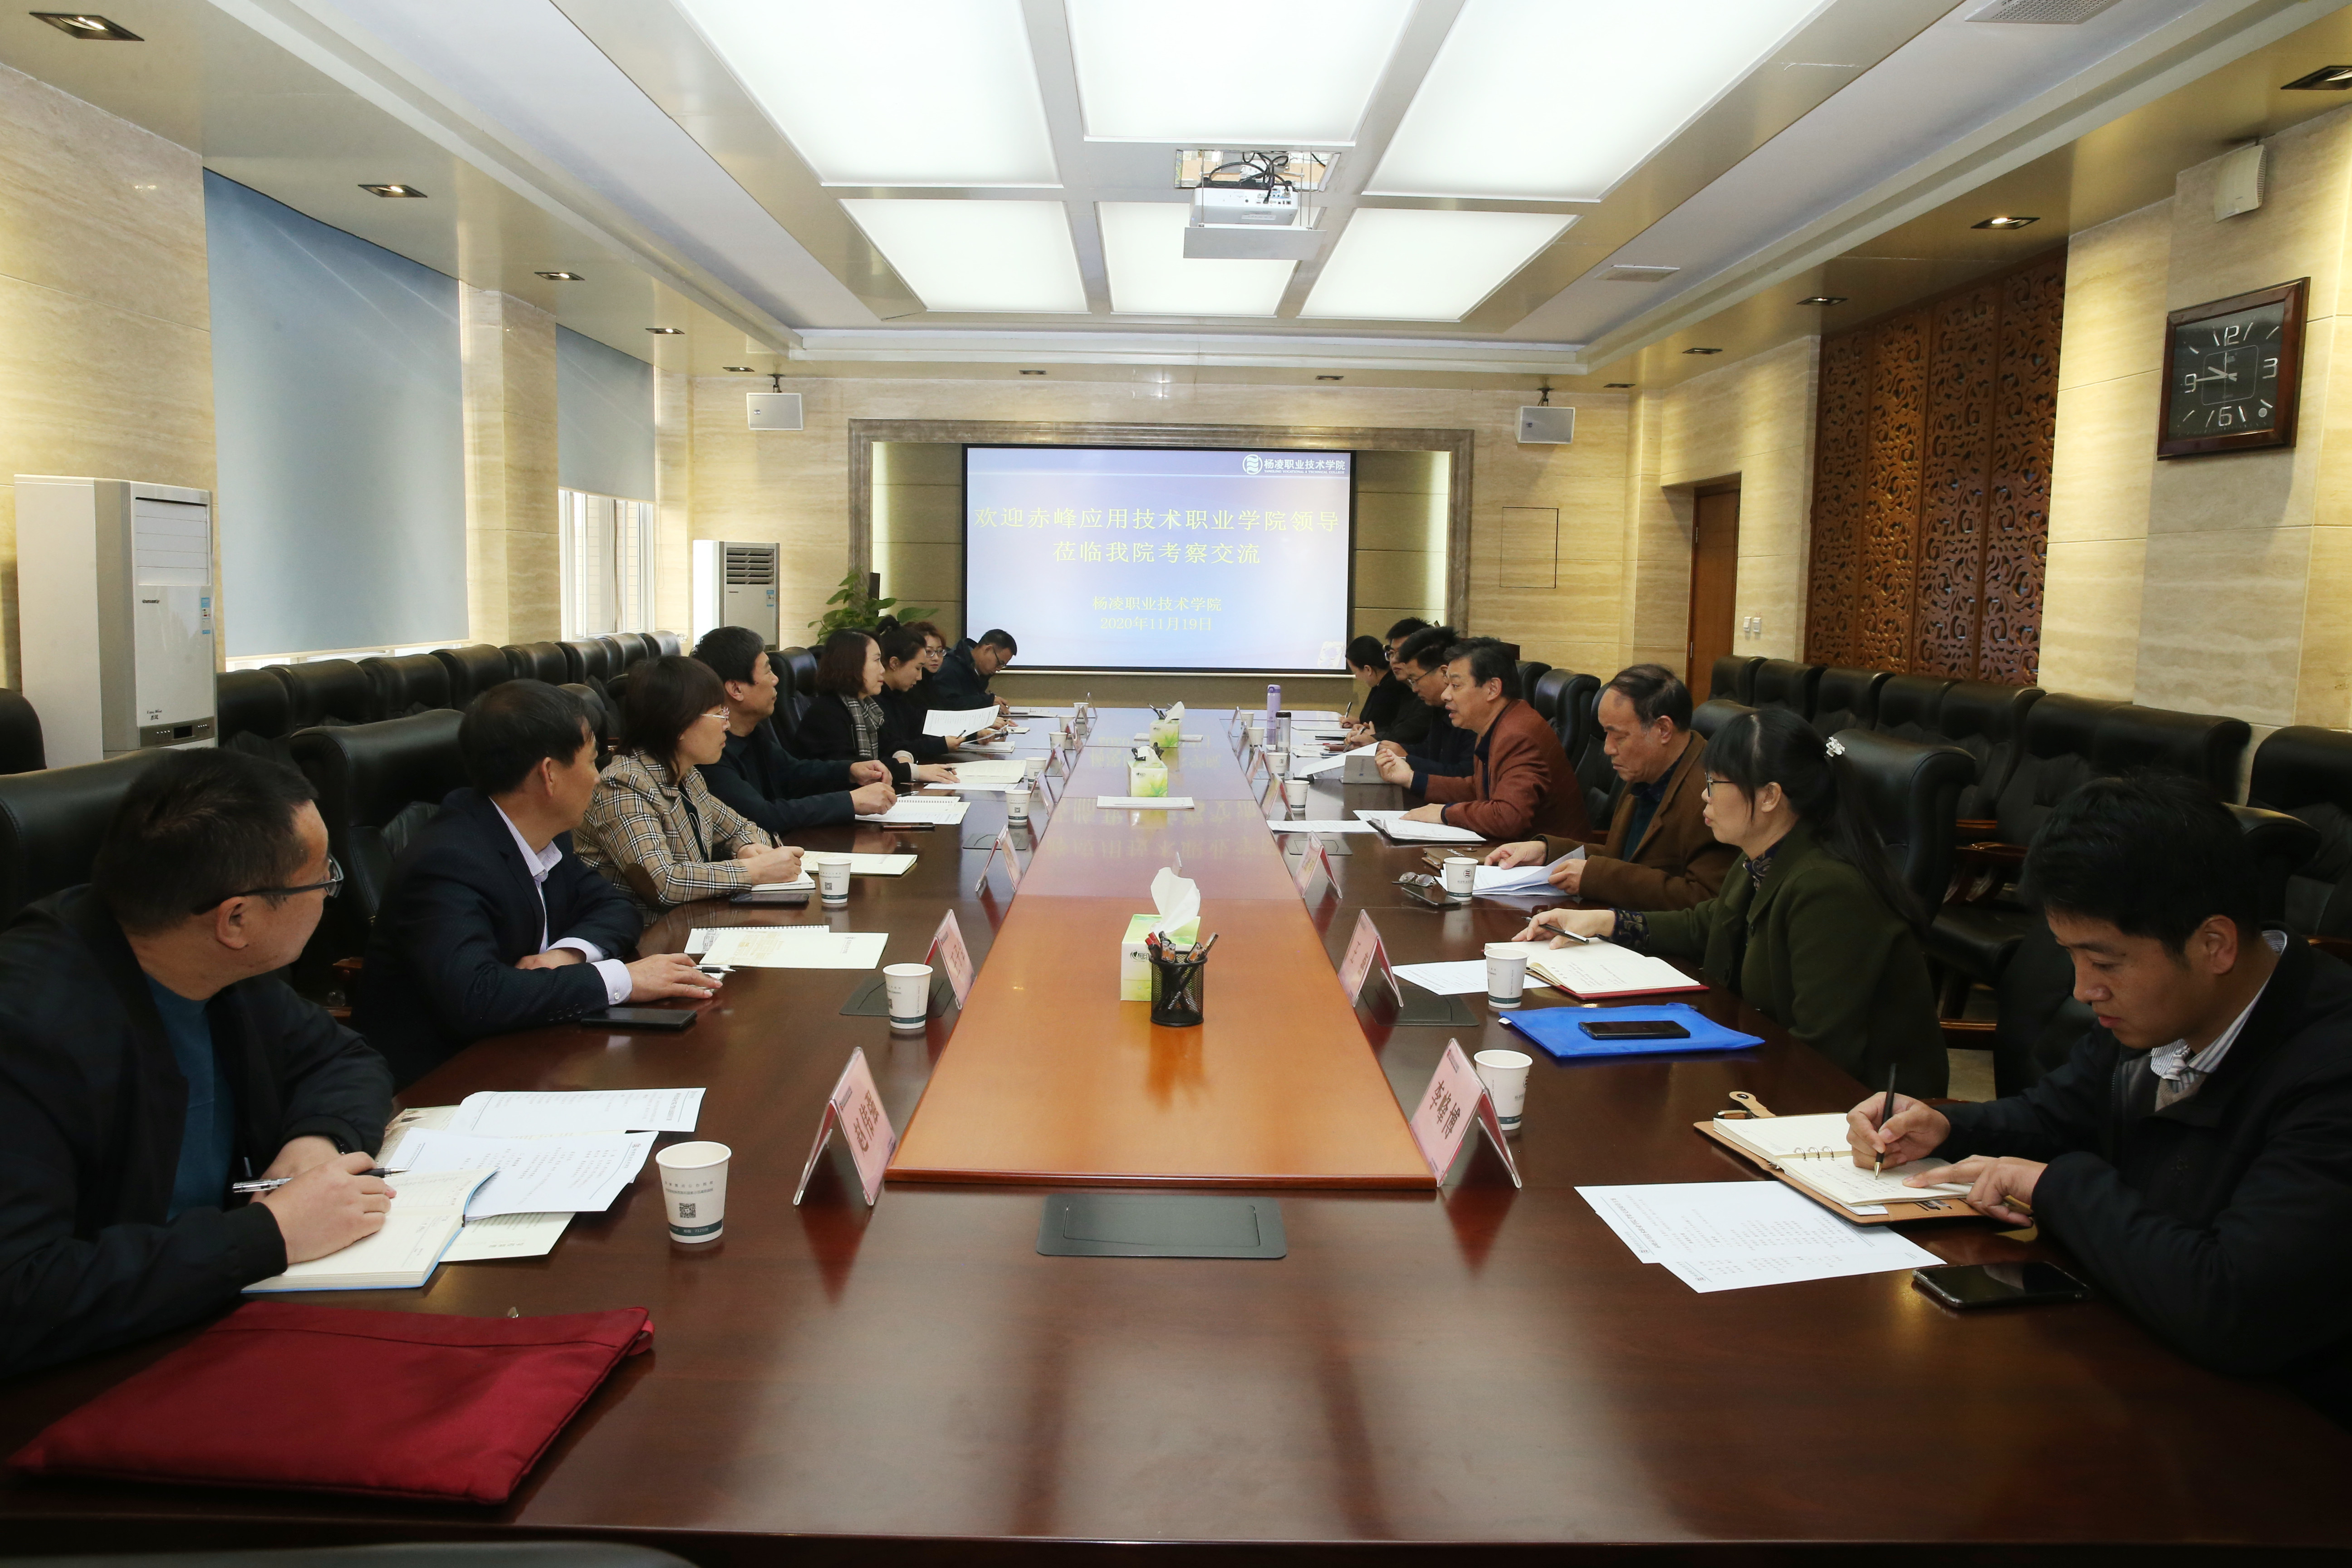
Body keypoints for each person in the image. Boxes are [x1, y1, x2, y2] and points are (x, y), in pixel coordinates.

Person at [1849, 773, 2352, 1422]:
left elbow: (2236, 1308)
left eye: (2106, 963)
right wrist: (1946, 1128)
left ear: (2215, 945)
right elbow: (2057, 1114)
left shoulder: (2332, 1069)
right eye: (2071, 957)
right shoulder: (2165, 1014)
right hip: (2135, 1349)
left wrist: (2057, 1186)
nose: (2083, 990)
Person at [0, 750, 395, 1378]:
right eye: (322, 878)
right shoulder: (28, 1031)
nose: (329, 892)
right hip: (90, 1382)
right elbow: (21, 1295)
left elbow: (343, 1057)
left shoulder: (220, 965)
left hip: (215, 1316)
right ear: (236, 918)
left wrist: (317, 1141)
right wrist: (269, 1234)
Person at [1518, 706, 1944, 1094]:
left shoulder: (1828, 888)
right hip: (1768, 1062)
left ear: (1770, 796)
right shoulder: (1763, 856)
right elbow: (1707, 925)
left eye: (1714, 783)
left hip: (1860, 1112)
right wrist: (1604, 922)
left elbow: (1823, 1052)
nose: (1705, 796)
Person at [356, 681, 719, 1088]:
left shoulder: (544, 833)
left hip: (537, 1046)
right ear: (550, 774)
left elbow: (614, 906)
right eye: (591, 762)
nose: (598, 778)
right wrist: (623, 980)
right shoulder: (447, 861)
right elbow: (476, 996)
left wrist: (568, 954)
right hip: (449, 1081)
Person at [1484, 664, 1733, 910]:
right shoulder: (1647, 770)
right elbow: (1623, 856)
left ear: (1663, 729)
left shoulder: (1710, 794)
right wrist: (1547, 852)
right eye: (1606, 734)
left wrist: (1597, 877)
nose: (1608, 748)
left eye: (1620, 737)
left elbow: (1705, 901)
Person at [577, 655, 805, 911]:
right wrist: (752, 870)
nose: (727, 725)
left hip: (693, 920)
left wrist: (747, 848)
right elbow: (663, 883)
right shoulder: (622, 786)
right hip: (646, 933)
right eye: (719, 714)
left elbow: (743, 827)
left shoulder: (688, 775)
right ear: (679, 724)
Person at [692, 625, 897, 834]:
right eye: (768, 671)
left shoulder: (753, 733)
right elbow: (761, 817)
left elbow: (793, 773)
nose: (776, 679)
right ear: (737, 689)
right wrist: (850, 801)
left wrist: (851, 771)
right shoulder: (709, 753)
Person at [1380, 637, 1588, 841]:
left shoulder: (1517, 736)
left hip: (1551, 858)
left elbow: (1508, 817)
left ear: (1493, 689)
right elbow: (1478, 789)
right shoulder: (1496, 723)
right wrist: (1410, 778)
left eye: (1456, 686)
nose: (1445, 695)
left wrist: (1444, 813)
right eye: (1447, 685)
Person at [796, 628, 963, 787]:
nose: (883, 670)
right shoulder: (827, 713)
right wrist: (914, 772)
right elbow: (856, 769)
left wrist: (903, 757)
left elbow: (890, 744)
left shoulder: (866, 707)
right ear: (852, 664)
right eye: (877, 661)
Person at [1375, 623, 1461, 777]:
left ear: (1444, 673)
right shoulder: (1439, 707)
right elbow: (1430, 750)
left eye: (1415, 680)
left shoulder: (1468, 711)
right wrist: (1399, 751)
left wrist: (1408, 759)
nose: (1414, 689)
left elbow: (1464, 775)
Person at [1344, 617, 1435, 747]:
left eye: (1403, 653)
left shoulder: (1431, 696)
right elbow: (1398, 729)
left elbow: (1409, 735)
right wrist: (1373, 734)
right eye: (1392, 653)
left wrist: (1375, 738)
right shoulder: (1409, 689)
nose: (1394, 660)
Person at [935, 627, 1016, 715]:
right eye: (999, 663)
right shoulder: (950, 667)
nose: (999, 669)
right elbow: (947, 705)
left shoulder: (979, 672)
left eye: (1002, 666)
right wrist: (988, 702)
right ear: (988, 650)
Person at [898, 618, 951, 709]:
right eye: (928, 652)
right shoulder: (909, 687)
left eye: (940, 651)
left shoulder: (933, 684)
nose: (936, 658)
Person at [1343, 635, 1395, 728]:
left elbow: (1381, 726)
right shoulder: (1381, 684)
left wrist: (1364, 727)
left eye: (1355, 672)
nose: (1357, 677)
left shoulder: (1391, 690)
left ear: (1368, 669)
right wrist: (1359, 722)